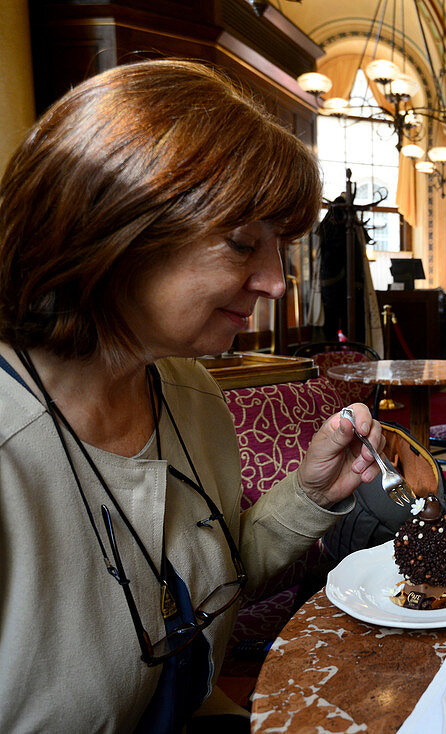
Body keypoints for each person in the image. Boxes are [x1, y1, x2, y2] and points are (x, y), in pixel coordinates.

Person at [0, 60, 387, 732]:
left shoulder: (189, 389)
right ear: (112, 230)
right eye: (243, 243)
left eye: (282, 247)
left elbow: (206, 577)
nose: (275, 281)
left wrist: (311, 496)